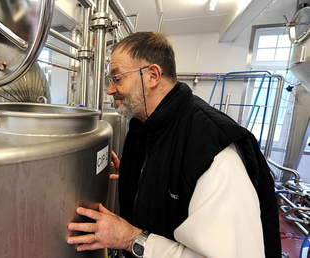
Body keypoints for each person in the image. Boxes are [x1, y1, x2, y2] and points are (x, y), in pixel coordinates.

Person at [66, 31, 281, 258]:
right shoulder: (144, 126)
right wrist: (140, 176)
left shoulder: (214, 152)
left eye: (117, 78)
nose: (110, 90)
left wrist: (130, 238)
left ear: (152, 75)